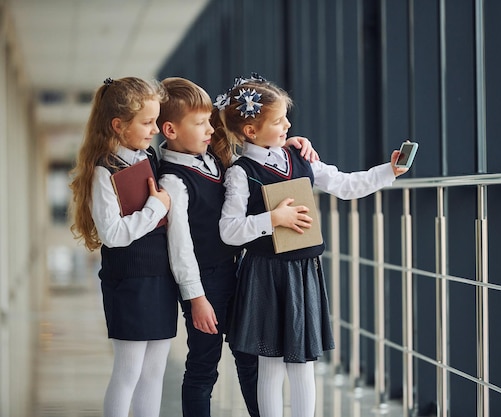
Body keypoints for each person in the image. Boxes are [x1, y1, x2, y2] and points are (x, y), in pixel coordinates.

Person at [214, 74, 408, 417]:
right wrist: (272, 219)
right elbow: (229, 230)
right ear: (250, 131)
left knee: (303, 363)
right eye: (277, 121)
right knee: (270, 365)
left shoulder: (301, 158)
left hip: (303, 273)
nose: (287, 124)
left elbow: (345, 184)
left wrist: (388, 171)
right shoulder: (241, 172)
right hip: (264, 274)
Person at [155, 76, 318, 417]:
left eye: (208, 121)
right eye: (199, 124)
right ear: (170, 130)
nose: (209, 129)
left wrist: (288, 144)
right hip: (205, 285)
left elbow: (253, 148)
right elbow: (180, 246)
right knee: (203, 366)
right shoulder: (173, 180)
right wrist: (196, 298)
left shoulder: (214, 158)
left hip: (237, 273)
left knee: (251, 360)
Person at [68, 77, 177, 417]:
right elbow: (113, 234)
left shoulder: (150, 159)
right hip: (128, 282)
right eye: (146, 123)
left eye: (156, 121)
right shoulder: (105, 171)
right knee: (128, 371)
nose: (155, 129)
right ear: (118, 125)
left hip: (160, 278)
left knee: (154, 372)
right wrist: (157, 208)